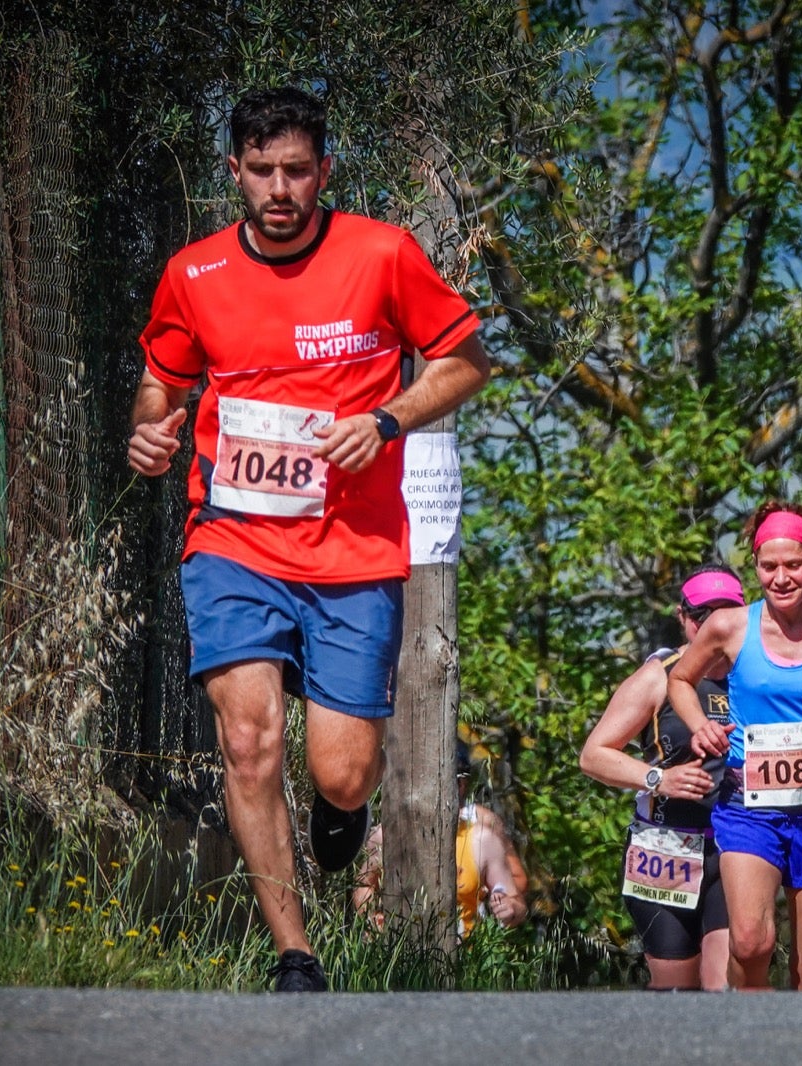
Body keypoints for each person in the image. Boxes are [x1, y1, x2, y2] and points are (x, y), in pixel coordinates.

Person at [126, 86, 491, 992]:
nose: (280, 188)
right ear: (235, 174)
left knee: (340, 773)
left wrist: (391, 419)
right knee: (247, 744)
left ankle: (343, 812)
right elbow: (161, 383)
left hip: (352, 551)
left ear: (324, 171)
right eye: (262, 171)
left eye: (297, 170)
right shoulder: (194, 274)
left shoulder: (381, 253)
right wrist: (150, 429)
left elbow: (466, 360)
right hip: (233, 540)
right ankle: (297, 955)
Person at [669, 502, 802, 991]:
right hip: (748, 808)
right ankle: (752, 1040)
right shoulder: (729, 628)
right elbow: (680, 680)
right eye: (769, 567)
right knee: (750, 944)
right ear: (755, 566)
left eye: (794, 565)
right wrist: (700, 724)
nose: (782, 578)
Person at [579, 564, 746, 990]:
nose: (714, 624)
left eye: (727, 612)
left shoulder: (756, 676)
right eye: (701, 614)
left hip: (735, 846)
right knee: (676, 990)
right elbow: (594, 756)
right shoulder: (659, 675)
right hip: (664, 846)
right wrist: (659, 779)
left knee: (724, 984)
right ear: (683, 618)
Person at [353, 727, 530, 939]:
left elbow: (517, 900)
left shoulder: (482, 839)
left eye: (447, 782)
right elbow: (364, 886)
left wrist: (511, 908)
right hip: (400, 963)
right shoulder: (388, 836)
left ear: (462, 785)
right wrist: (373, 921)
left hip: (464, 964)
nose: (432, 791)